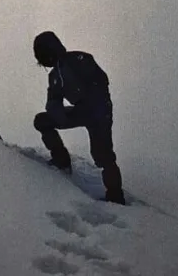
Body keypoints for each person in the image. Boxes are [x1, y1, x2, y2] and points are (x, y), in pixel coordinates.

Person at [33, 31, 125, 205]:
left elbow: (101, 81)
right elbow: (53, 99)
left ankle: (115, 196)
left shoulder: (79, 59)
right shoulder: (54, 76)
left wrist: (94, 105)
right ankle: (61, 160)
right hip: (82, 111)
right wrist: (56, 112)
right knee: (42, 120)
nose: (44, 62)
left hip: (99, 111)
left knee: (103, 155)